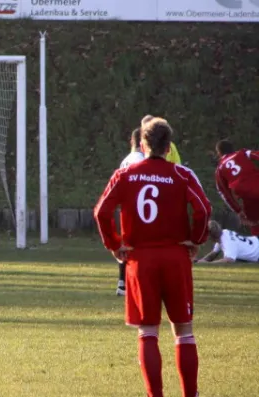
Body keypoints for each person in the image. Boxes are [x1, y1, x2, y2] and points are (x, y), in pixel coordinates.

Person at [94, 117, 211, 397]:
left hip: (139, 259)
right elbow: (204, 210)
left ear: (143, 144)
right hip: (175, 257)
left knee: (147, 330)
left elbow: (101, 212)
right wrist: (196, 240)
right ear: (168, 147)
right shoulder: (182, 174)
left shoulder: (125, 175)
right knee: (183, 330)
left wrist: (115, 244)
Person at [114, 127, 144, 296]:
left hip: (125, 208)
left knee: (126, 246)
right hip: (140, 208)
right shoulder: (142, 160)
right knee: (141, 248)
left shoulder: (125, 160)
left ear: (131, 141)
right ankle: (135, 284)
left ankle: (122, 283)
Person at [214, 139, 259, 235]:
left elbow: (224, 193)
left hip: (247, 196)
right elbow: (256, 155)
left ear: (219, 153)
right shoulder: (242, 153)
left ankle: (256, 247)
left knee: (254, 224)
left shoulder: (219, 169)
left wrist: (237, 210)